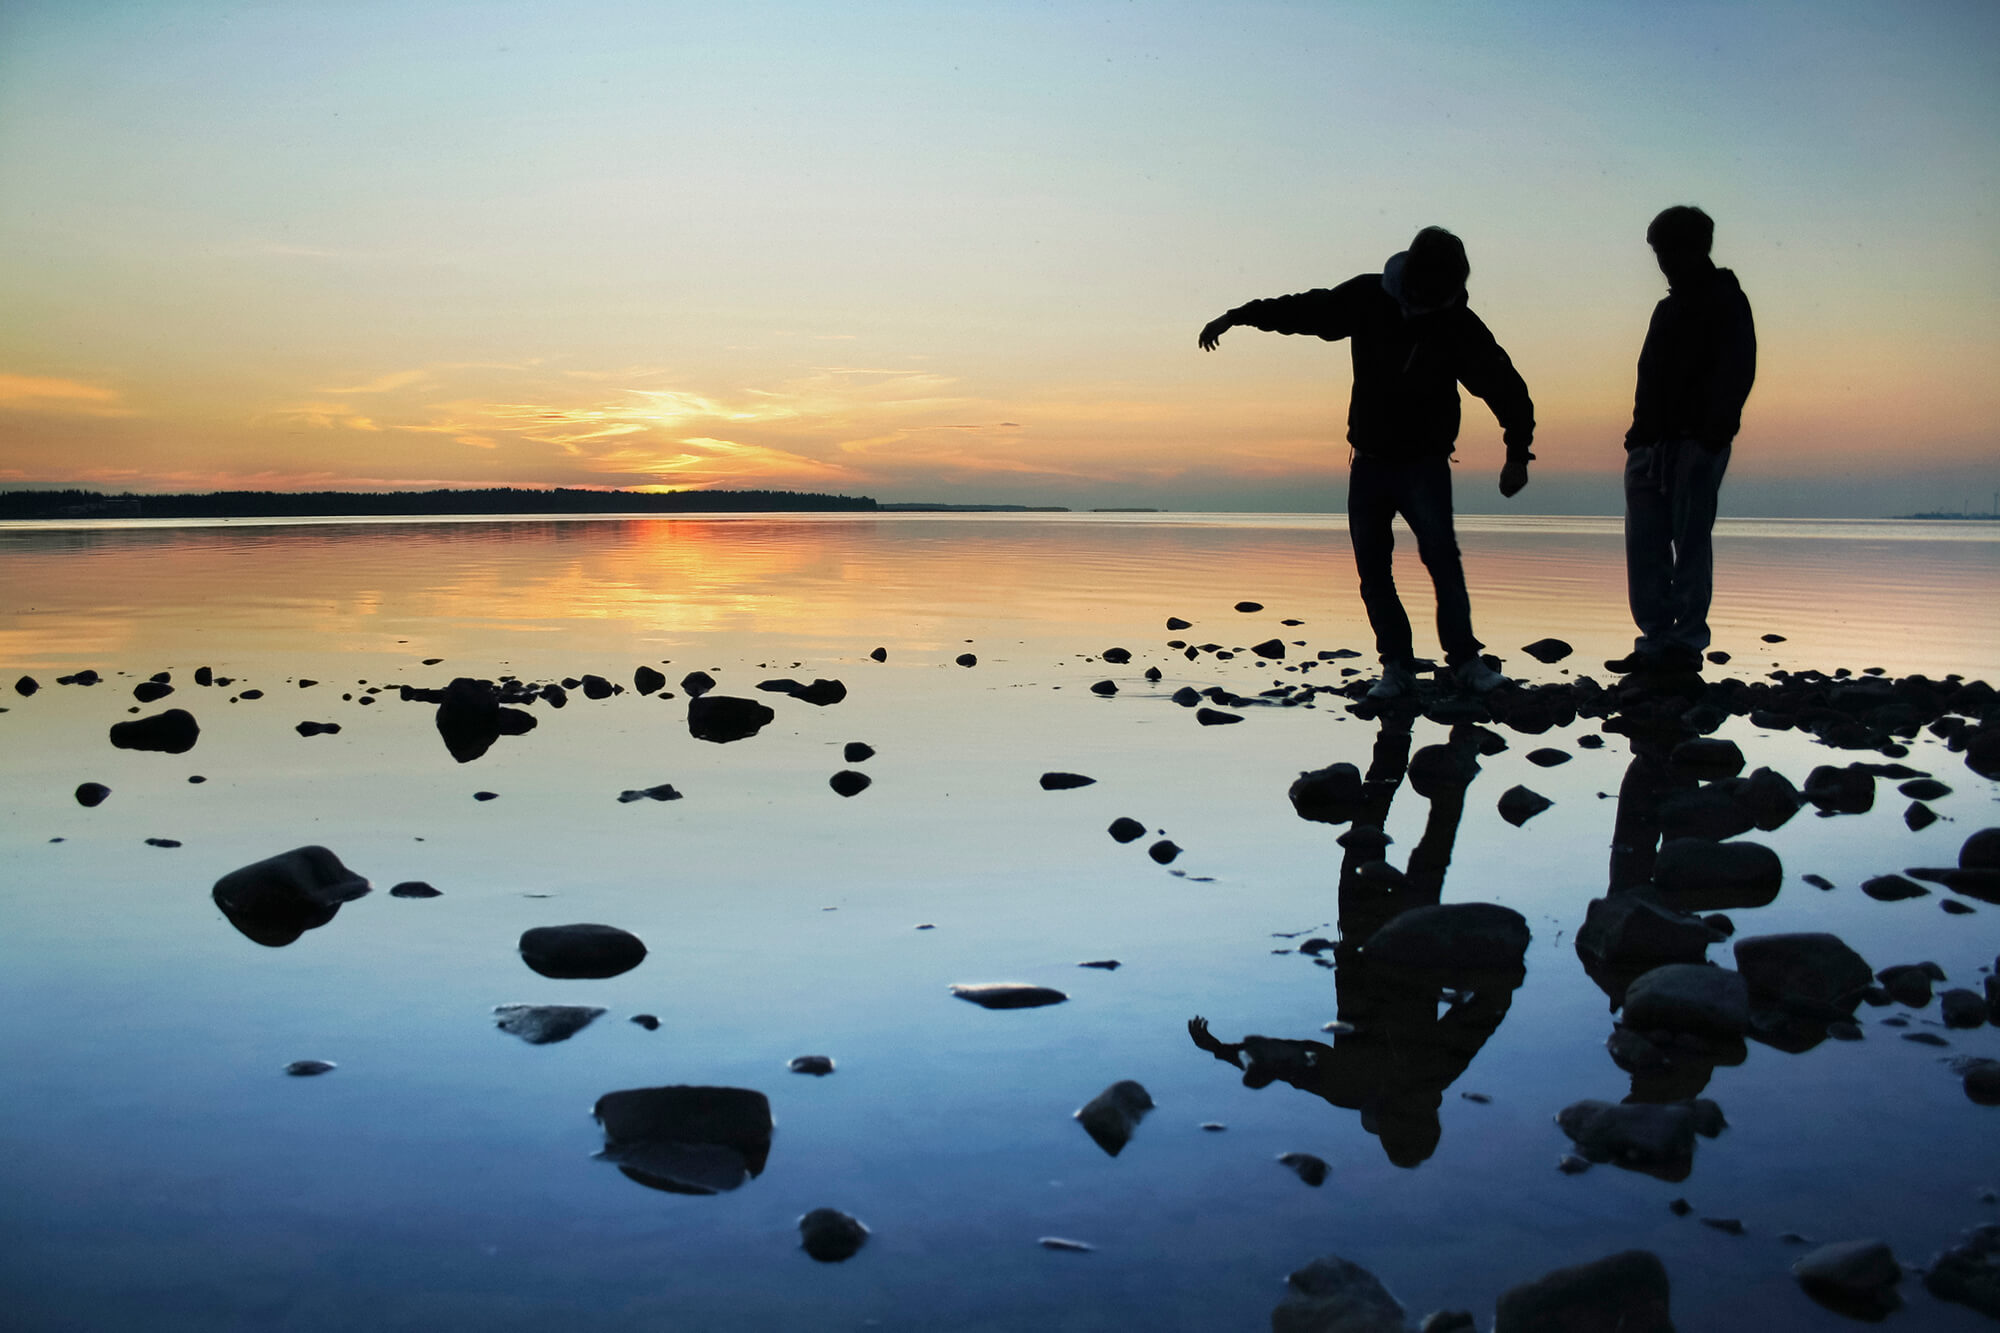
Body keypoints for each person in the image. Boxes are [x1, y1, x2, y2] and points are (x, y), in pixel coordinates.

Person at [1199, 227, 1535, 700]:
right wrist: (1238, 316)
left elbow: (1506, 387)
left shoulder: (1458, 324)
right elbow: (1304, 309)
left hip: (1426, 465)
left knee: (1443, 563)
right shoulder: (1368, 297)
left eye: (1439, 293)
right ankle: (1396, 667)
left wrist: (1518, 453)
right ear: (1411, 277)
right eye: (1423, 289)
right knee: (1374, 570)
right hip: (1370, 462)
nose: (1426, 300)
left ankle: (1465, 663)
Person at [1608, 205, 1756, 675]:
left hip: (1697, 441)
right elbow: (1646, 375)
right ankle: (1655, 638)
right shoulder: (1667, 308)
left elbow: (1738, 369)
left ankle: (1687, 641)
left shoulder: (1726, 300)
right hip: (1650, 442)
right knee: (1644, 542)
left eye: (1667, 250)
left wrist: (1712, 436)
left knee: (1690, 541)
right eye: (1657, 252)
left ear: (1694, 248)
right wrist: (1637, 439)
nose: (1662, 261)